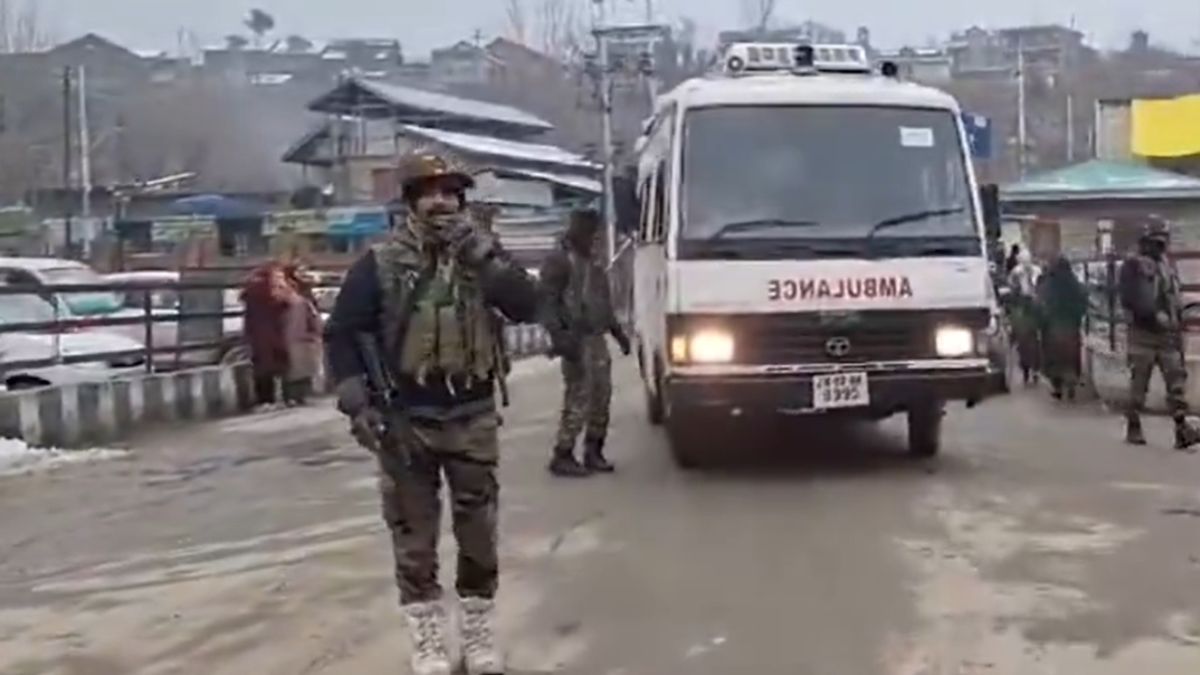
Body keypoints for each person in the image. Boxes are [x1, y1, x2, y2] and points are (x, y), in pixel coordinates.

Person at [324, 148, 538, 675]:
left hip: (472, 412)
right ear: (411, 201)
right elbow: (341, 334)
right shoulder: (380, 263)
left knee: (478, 533)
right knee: (413, 538)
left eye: (450, 192)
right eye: (429, 192)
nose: (441, 202)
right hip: (407, 419)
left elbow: (529, 305)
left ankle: (478, 634)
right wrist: (358, 405)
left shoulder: (486, 255)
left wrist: (483, 257)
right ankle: (427, 640)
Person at [539, 209, 631, 477]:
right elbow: (546, 302)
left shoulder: (593, 262)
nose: (594, 238)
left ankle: (594, 451)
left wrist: (618, 333)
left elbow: (602, 302)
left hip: (597, 338)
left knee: (601, 396)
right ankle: (563, 453)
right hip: (575, 338)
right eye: (590, 232)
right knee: (579, 396)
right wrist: (559, 336)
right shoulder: (560, 261)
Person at [1118, 220, 1198, 451]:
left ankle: (1182, 428)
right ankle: (1134, 424)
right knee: (1139, 384)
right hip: (1143, 333)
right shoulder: (1133, 266)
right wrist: (1154, 315)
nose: (1160, 246)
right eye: (1156, 242)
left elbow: (1173, 294)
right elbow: (1133, 297)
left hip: (1168, 334)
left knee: (1176, 381)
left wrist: (1179, 313)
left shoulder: (1165, 265)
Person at [240, 262, 292, 406]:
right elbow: (286, 304)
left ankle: (265, 400)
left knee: (262, 367)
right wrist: (283, 289)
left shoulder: (252, 291)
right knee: (275, 366)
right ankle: (275, 398)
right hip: (271, 334)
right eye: (277, 275)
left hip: (258, 334)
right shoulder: (270, 292)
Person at [1036, 255, 1088, 400]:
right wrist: (1077, 318)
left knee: (1054, 358)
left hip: (1053, 328)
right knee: (1071, 357)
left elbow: (1040, 305)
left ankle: (1057, 386)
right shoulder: (1074, 284)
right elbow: (1083, 301)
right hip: (1071, 326)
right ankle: (1071, 380)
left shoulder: (1048, 285)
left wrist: (1041, 322)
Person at [1007, 250, 1042, 385]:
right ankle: (1026, 368)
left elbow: (1041, 287)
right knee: (1021, 334)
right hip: (1021, 304)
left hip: (1034, 304)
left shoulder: (1037, 271)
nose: (1026, 264)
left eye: (1027, 261)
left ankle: (1036, 368)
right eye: (1024, 261)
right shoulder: (1016, 273)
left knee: (1036, 339)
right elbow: (1012, 289)